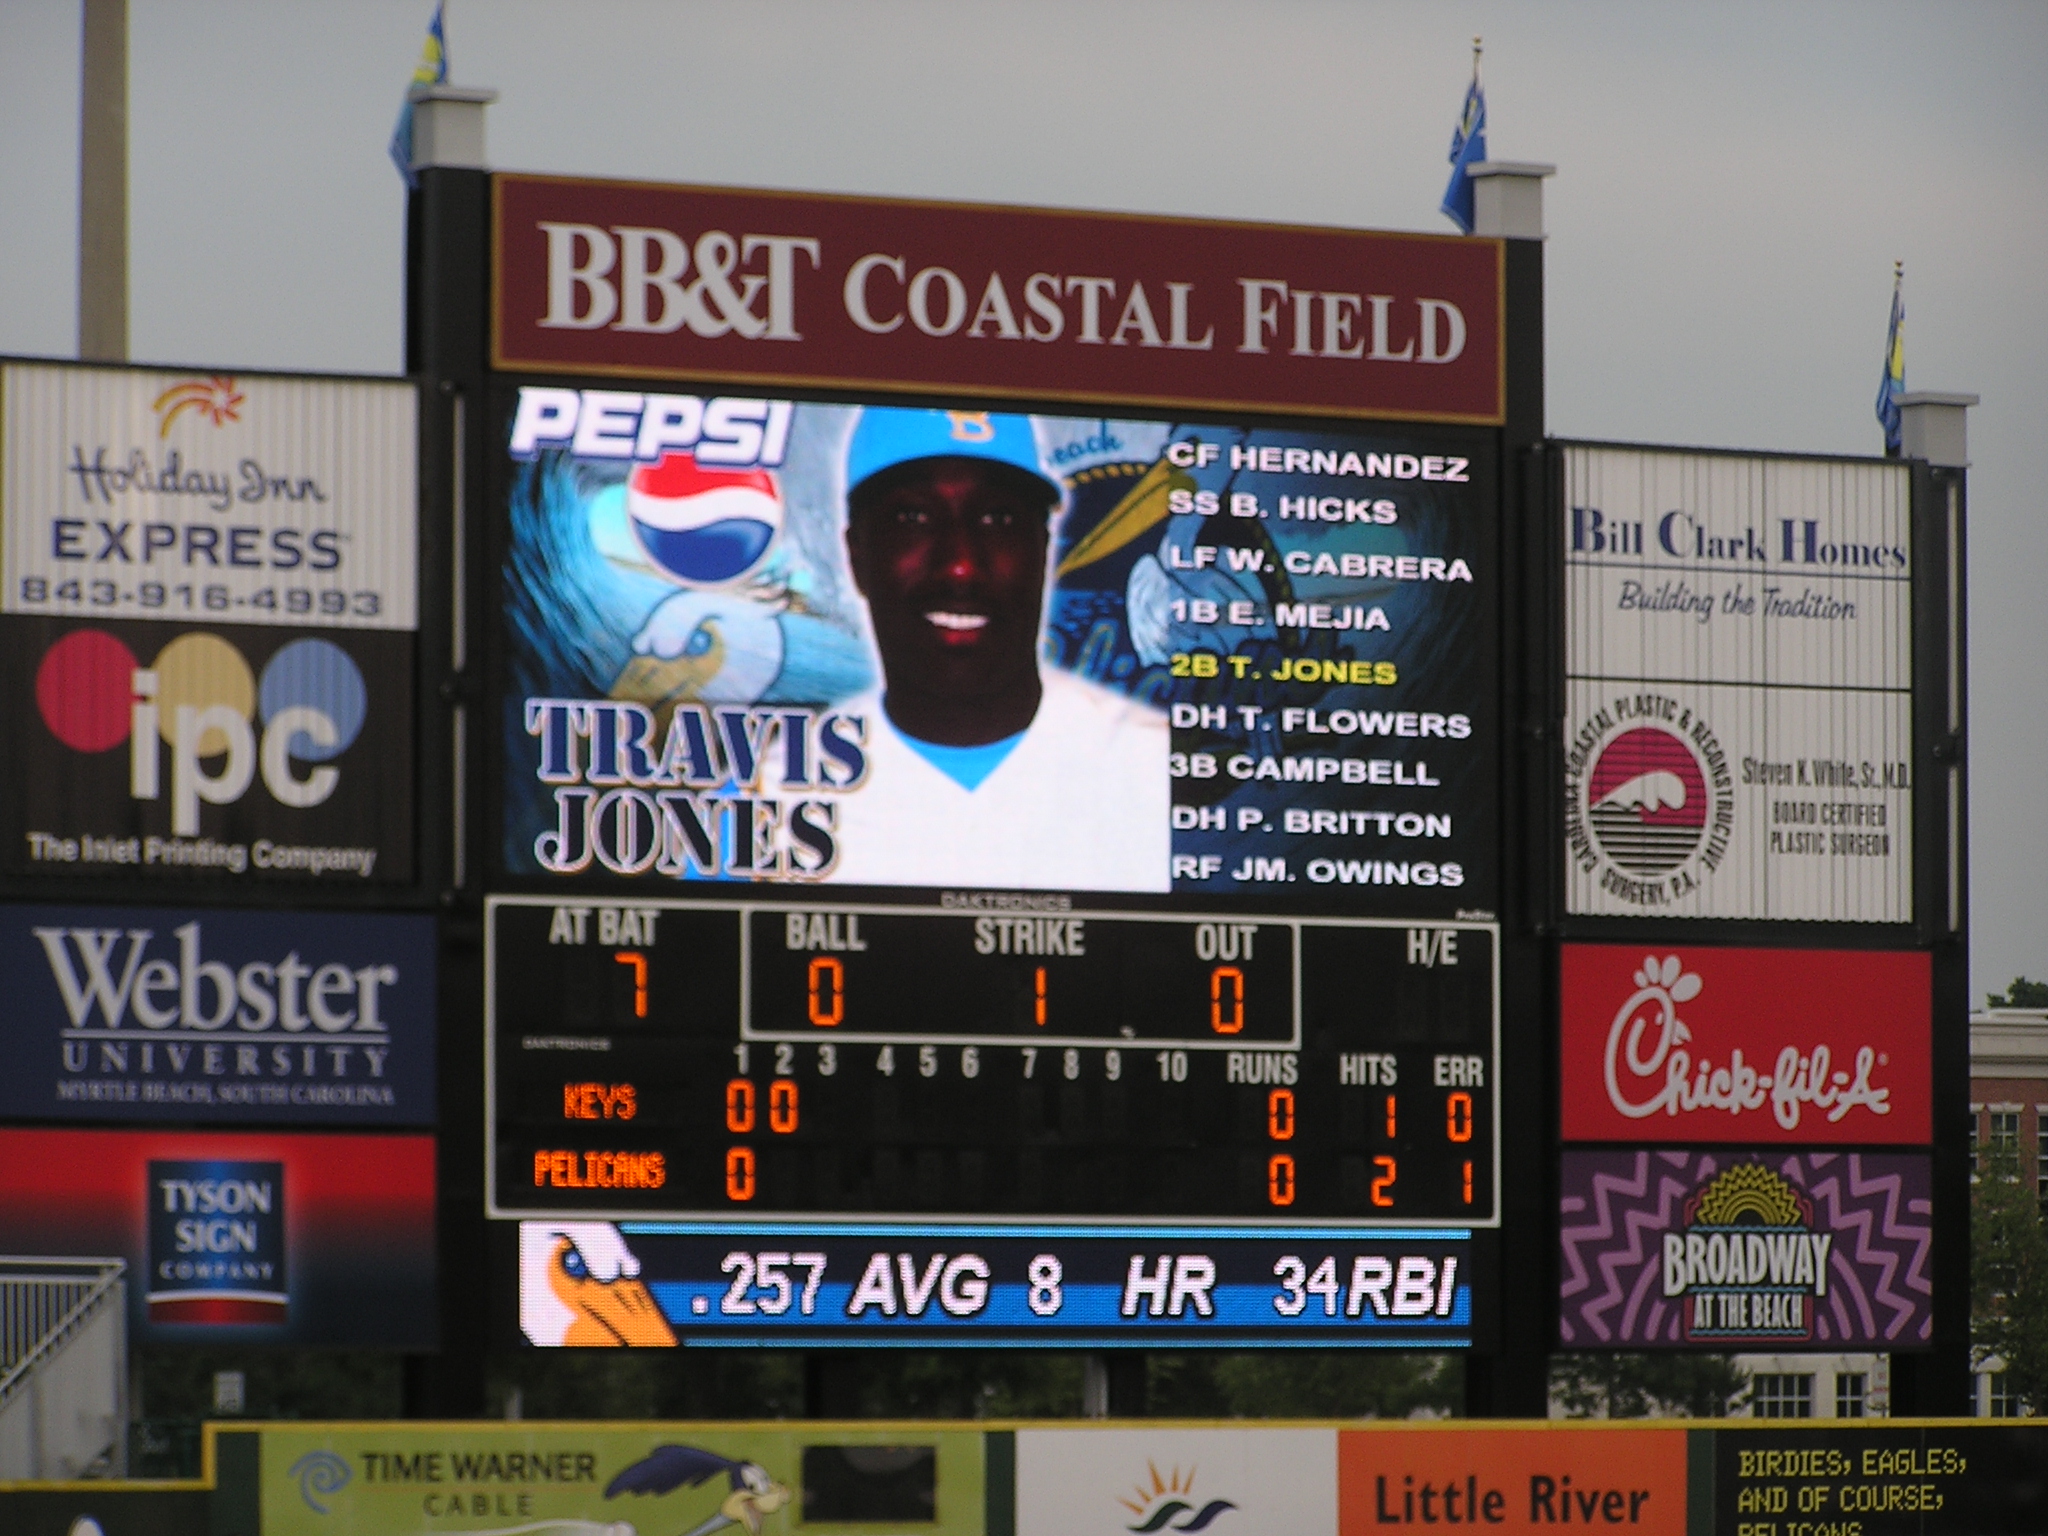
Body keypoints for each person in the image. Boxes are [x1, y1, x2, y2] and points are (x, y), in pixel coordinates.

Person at [825, 407, 1169, 891]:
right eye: (913, 517)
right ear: (857, 554)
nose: (961, 566)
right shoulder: (768, 797)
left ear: (1043, 549)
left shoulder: (1161, 774)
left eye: (997, 518)